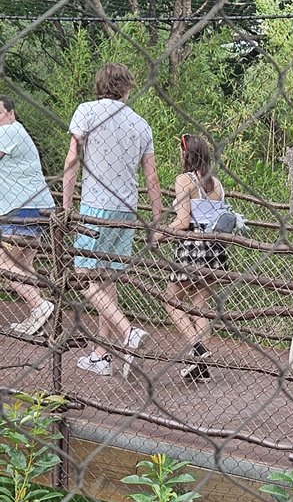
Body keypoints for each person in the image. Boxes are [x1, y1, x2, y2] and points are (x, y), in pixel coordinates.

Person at [62, 63, 162, 376]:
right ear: (127, 88)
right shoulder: (141, 124)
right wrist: (157, 219)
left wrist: (66, 204)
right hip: (127, 209)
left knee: (82, 275)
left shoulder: (87, 111)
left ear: (100, 84)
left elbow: (72, 158)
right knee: (106, 279)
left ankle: (127, 331)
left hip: (95, 206)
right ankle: (101, 355)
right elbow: (151, 176)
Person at [156, 133, 229, 382]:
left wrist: (160, 234)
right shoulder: (217, 184)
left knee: (171, 299)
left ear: (186, 155)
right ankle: (201, 366)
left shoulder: (184, 180)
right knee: (200, 305)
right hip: (214, 249)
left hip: (192, 247)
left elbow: (183, 221)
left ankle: (197, 347)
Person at [0, 97, 55, 335]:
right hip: (36, 205)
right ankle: (38, 318)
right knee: (24, 265)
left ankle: (40, 305)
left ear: (10, 113)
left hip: (21, 207)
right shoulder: (16, 131)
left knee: (3, 264)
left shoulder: (9, 131)